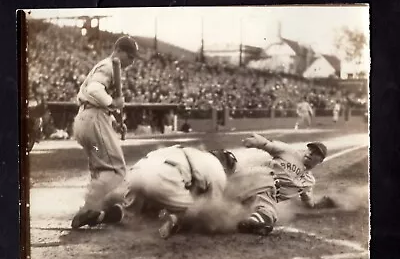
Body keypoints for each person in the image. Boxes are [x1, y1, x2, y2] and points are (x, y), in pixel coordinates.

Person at [73, 145, 228, 239]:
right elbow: (213, 210)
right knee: (198, 212)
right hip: (164, 178)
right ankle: (172, 222)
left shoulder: (187, 150)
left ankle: (101, 216)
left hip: (138, 171)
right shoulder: (217, 169)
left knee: (131, 214)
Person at [71, 36, 139, 229]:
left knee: (100, 169)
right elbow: (94, 90)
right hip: (93, 119)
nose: (132, 62)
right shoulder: (109, 65)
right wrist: (112, 103)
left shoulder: (106, 66)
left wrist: (116, 122)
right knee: (117, 170)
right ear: (119, 50)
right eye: (131, 56)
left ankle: (94, 210)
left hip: (85, 121)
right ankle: (88, 208)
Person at [224, 134, 333, 236]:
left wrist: (321, 204)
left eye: (316, 153)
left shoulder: (309, 182)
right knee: (271, 181)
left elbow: (308, 201)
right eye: (310, 150)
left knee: (268, 204)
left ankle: (255, 220)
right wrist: (257, 142)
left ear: (320, 160)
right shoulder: (289, 152)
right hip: (251, 180)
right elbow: (268, 145)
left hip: (257, 198)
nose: (310, 153)